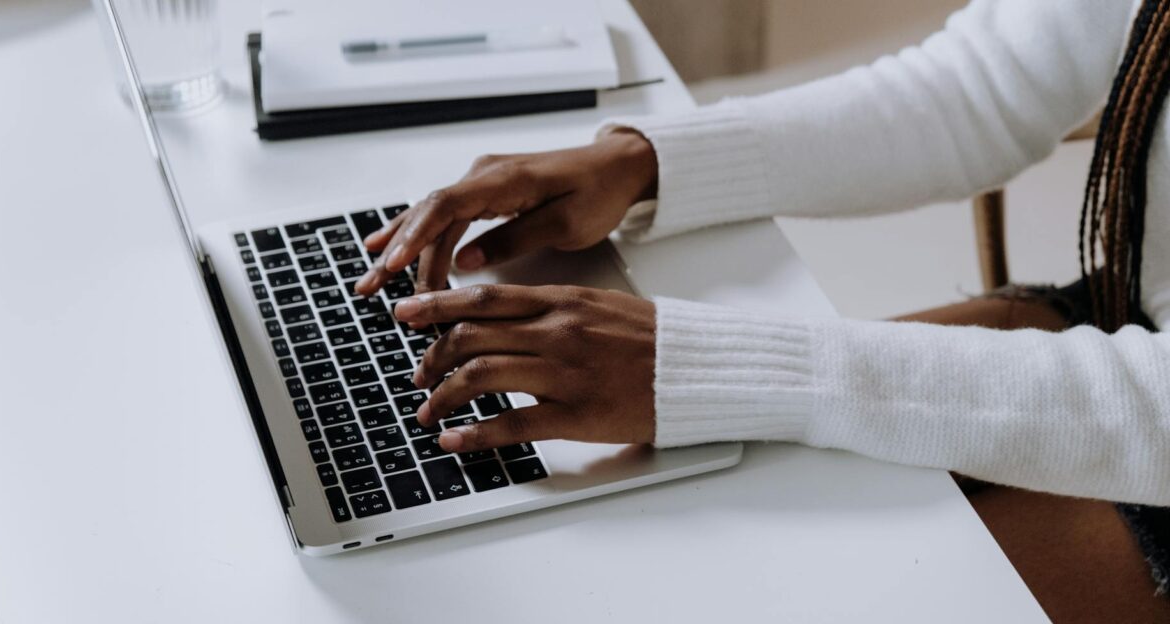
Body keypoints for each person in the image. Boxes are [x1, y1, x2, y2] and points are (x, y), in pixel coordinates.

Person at [357, 0, 1170, 619]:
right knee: (681, 527)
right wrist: (646, 162)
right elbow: (989, 86)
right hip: (1127, 319)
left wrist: (717, 365)